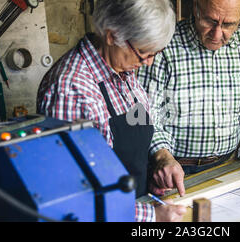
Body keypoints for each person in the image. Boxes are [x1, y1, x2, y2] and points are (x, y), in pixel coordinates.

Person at [37, 0, 185, 222]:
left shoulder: (123, 68)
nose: (149, 62)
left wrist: (152, 170)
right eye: (144, 52)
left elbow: (132, 140)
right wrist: (151, 215)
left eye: (156, 52)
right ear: (111, 35)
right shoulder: (70, 89)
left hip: (136, 204)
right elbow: (76, 196)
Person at [138, 0, 240, 197]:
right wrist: (163, 157)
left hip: (229, 165)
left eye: (228, 24)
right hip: (173, 170)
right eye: (210, 20)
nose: (217, 34)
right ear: (196, 7)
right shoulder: (165, 42)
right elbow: (144, 113)